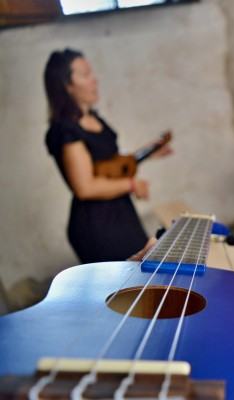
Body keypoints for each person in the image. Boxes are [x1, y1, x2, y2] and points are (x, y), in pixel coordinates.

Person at [44, 48, 171, 264]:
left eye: (91, 73)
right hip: (97, 223)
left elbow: (107, 166)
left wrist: (146, 153)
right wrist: (132, 185)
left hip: (119, 213)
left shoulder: (94, 119)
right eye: (85, 75)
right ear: (67, 85)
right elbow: (85, 187)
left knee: (141, 271)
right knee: (130, 282)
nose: (95, 80)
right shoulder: (66, 130)